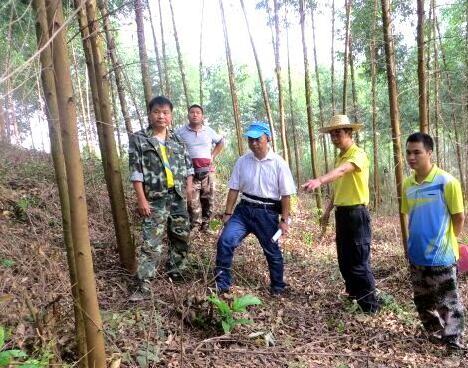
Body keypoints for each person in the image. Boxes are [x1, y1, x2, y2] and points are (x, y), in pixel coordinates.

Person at [302, 114, 380, 313]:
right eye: (332, 134)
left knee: (359, 260)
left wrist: (319, 180)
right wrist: (328, 212)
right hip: (343, 213)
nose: (334, 137)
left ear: (349, 133)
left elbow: (343, 171)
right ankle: (355, 296)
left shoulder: (358, 154)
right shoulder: (339, 157)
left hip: (357, 214)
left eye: (338, 133)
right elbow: (339, 188)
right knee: (344, 259)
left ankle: (370, 306)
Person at [214, 121, 296, 295]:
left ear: (268, 139)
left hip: (267, 213)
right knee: (225, 241)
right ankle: (222, 283)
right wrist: (228, 213)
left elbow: (286, 195)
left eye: (257, 139)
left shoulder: (279, 163)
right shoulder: (242, 161)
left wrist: (284, 220)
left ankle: (278, 286)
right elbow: (234, 188)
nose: (253, 143)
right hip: (243, 211)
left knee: (271, 250)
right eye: (250, 140)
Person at [401, 132, 465, 350]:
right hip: (416, 255)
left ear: (429, 153)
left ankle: (454, 345)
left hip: (442, 256)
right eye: (408, 152)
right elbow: (407, 216)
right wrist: (408, 245)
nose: (411, 157)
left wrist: (448, 242)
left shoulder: (447, 182)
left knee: (448, 303)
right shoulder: (407, 184)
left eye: (417, 152)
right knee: (422, 300)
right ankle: (435, 335)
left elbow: (459, 217)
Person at [128, 96, 194, 301]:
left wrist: (189, 190)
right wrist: (141, 199)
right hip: (155, 198)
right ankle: (144, 284)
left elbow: (188, 167)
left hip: (178, 196)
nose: (161, 116)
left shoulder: (177, 139)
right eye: (157, 112)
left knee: (181, 236)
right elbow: (136, 172)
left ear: (171, 116)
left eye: (165, 113)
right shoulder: (140, 139)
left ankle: (177, 270)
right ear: (150, 114)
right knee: (151, 242)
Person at [176, 104, 224, 232]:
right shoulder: (180, 132)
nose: (195, 114)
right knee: (192, 201)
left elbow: (220, 142)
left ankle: (207, 225)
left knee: (209, 199)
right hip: (190, 173)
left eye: (198, 112)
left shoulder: (208, 131)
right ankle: (195, 226)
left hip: (208, 172)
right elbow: (173, 147)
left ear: (202, 116)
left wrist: (213, 155)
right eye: (192, 112)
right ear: (188, 115)